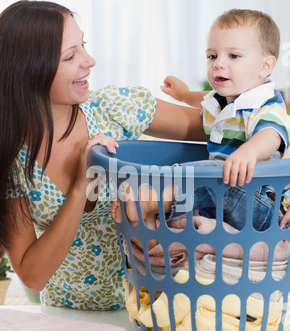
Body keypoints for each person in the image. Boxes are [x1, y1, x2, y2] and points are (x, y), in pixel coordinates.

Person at [0, 1, 206, 311]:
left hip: (155, 311)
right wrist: (82, 186)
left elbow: (222, 131)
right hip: (67, 319)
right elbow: (32, 276)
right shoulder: (11, 160)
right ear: (29, 70)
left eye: (84, 46)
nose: (90, 61)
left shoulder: (113, 109)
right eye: (71, 56)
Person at [111, 9, 290, 233]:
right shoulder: (224, 101)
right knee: (191, 203)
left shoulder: (267, 104)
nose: (218, 63)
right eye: (212, 56)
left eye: (233, 56)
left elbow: (271, 134)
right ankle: (148, 228)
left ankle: (154, 197)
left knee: (210, 172)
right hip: (218, 201)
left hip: (262, 206)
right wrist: (184, 95)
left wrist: (249, 152)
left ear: (265, 66)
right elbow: (206, 100)